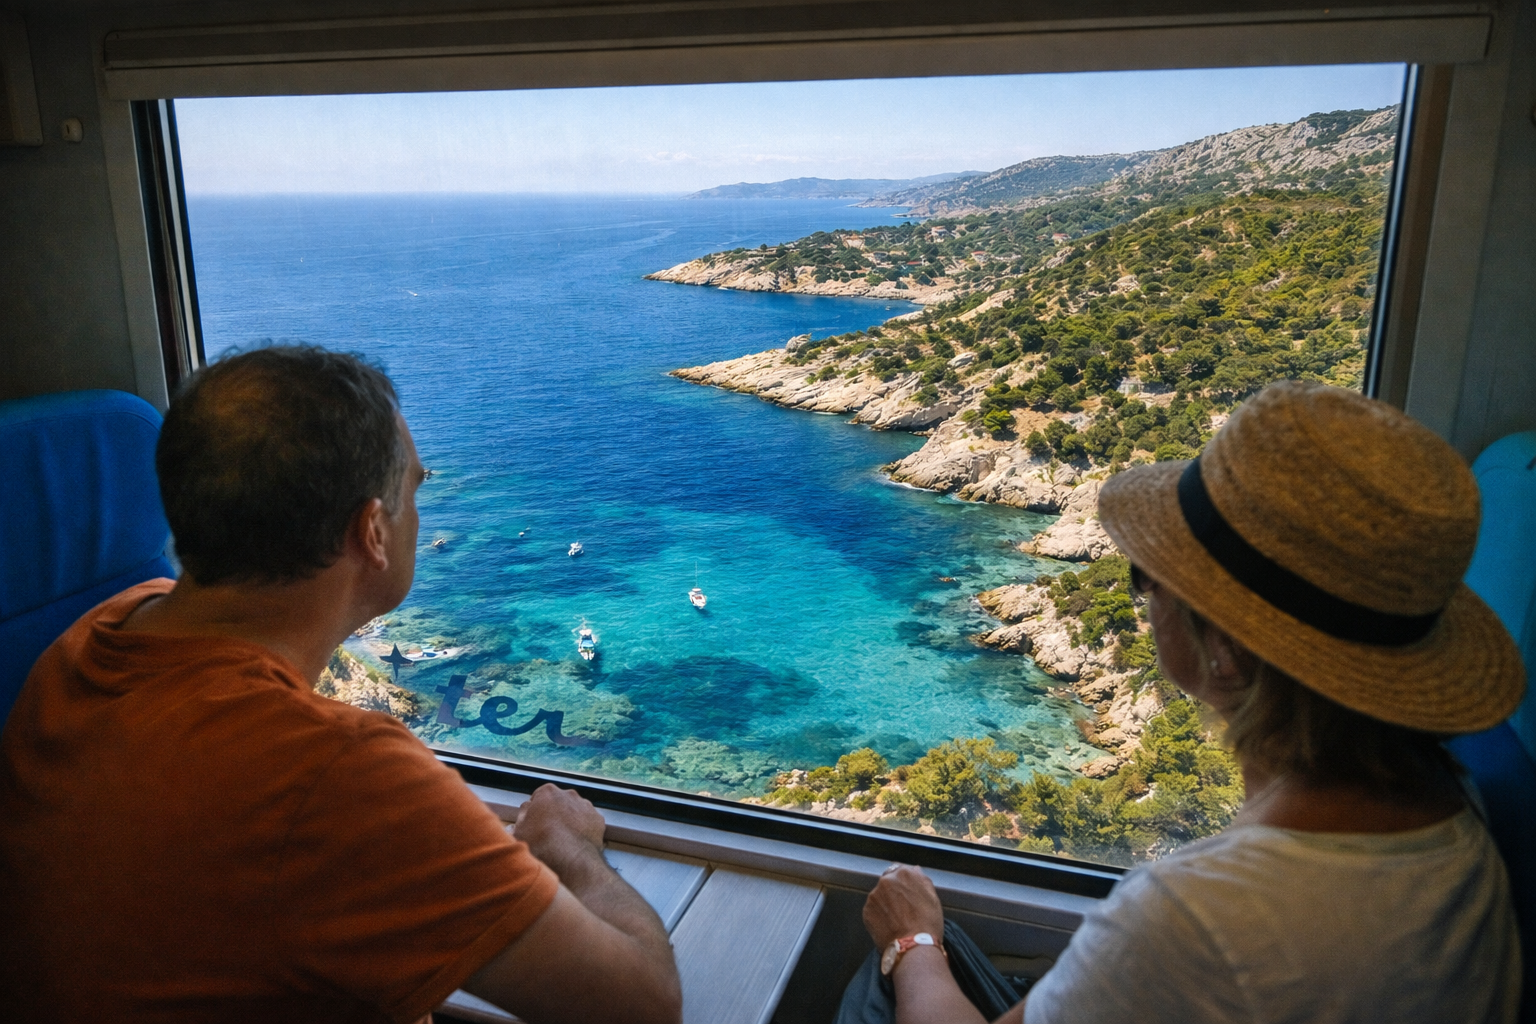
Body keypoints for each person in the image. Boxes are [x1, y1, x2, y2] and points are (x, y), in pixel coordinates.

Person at [0, 346, 682, 1024]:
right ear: (371, 533)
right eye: (414, 490)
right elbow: (642, 1005)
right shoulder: (331, 774)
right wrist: (571, 850)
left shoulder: (94, 636)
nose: (421, 510)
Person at [854, 381, 1525, 1024]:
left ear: (1224, 652)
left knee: (876, 985)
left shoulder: (1201, 917)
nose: (1141, 598)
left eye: (1149, 576)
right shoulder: (1456, 805)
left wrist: (911, 943)